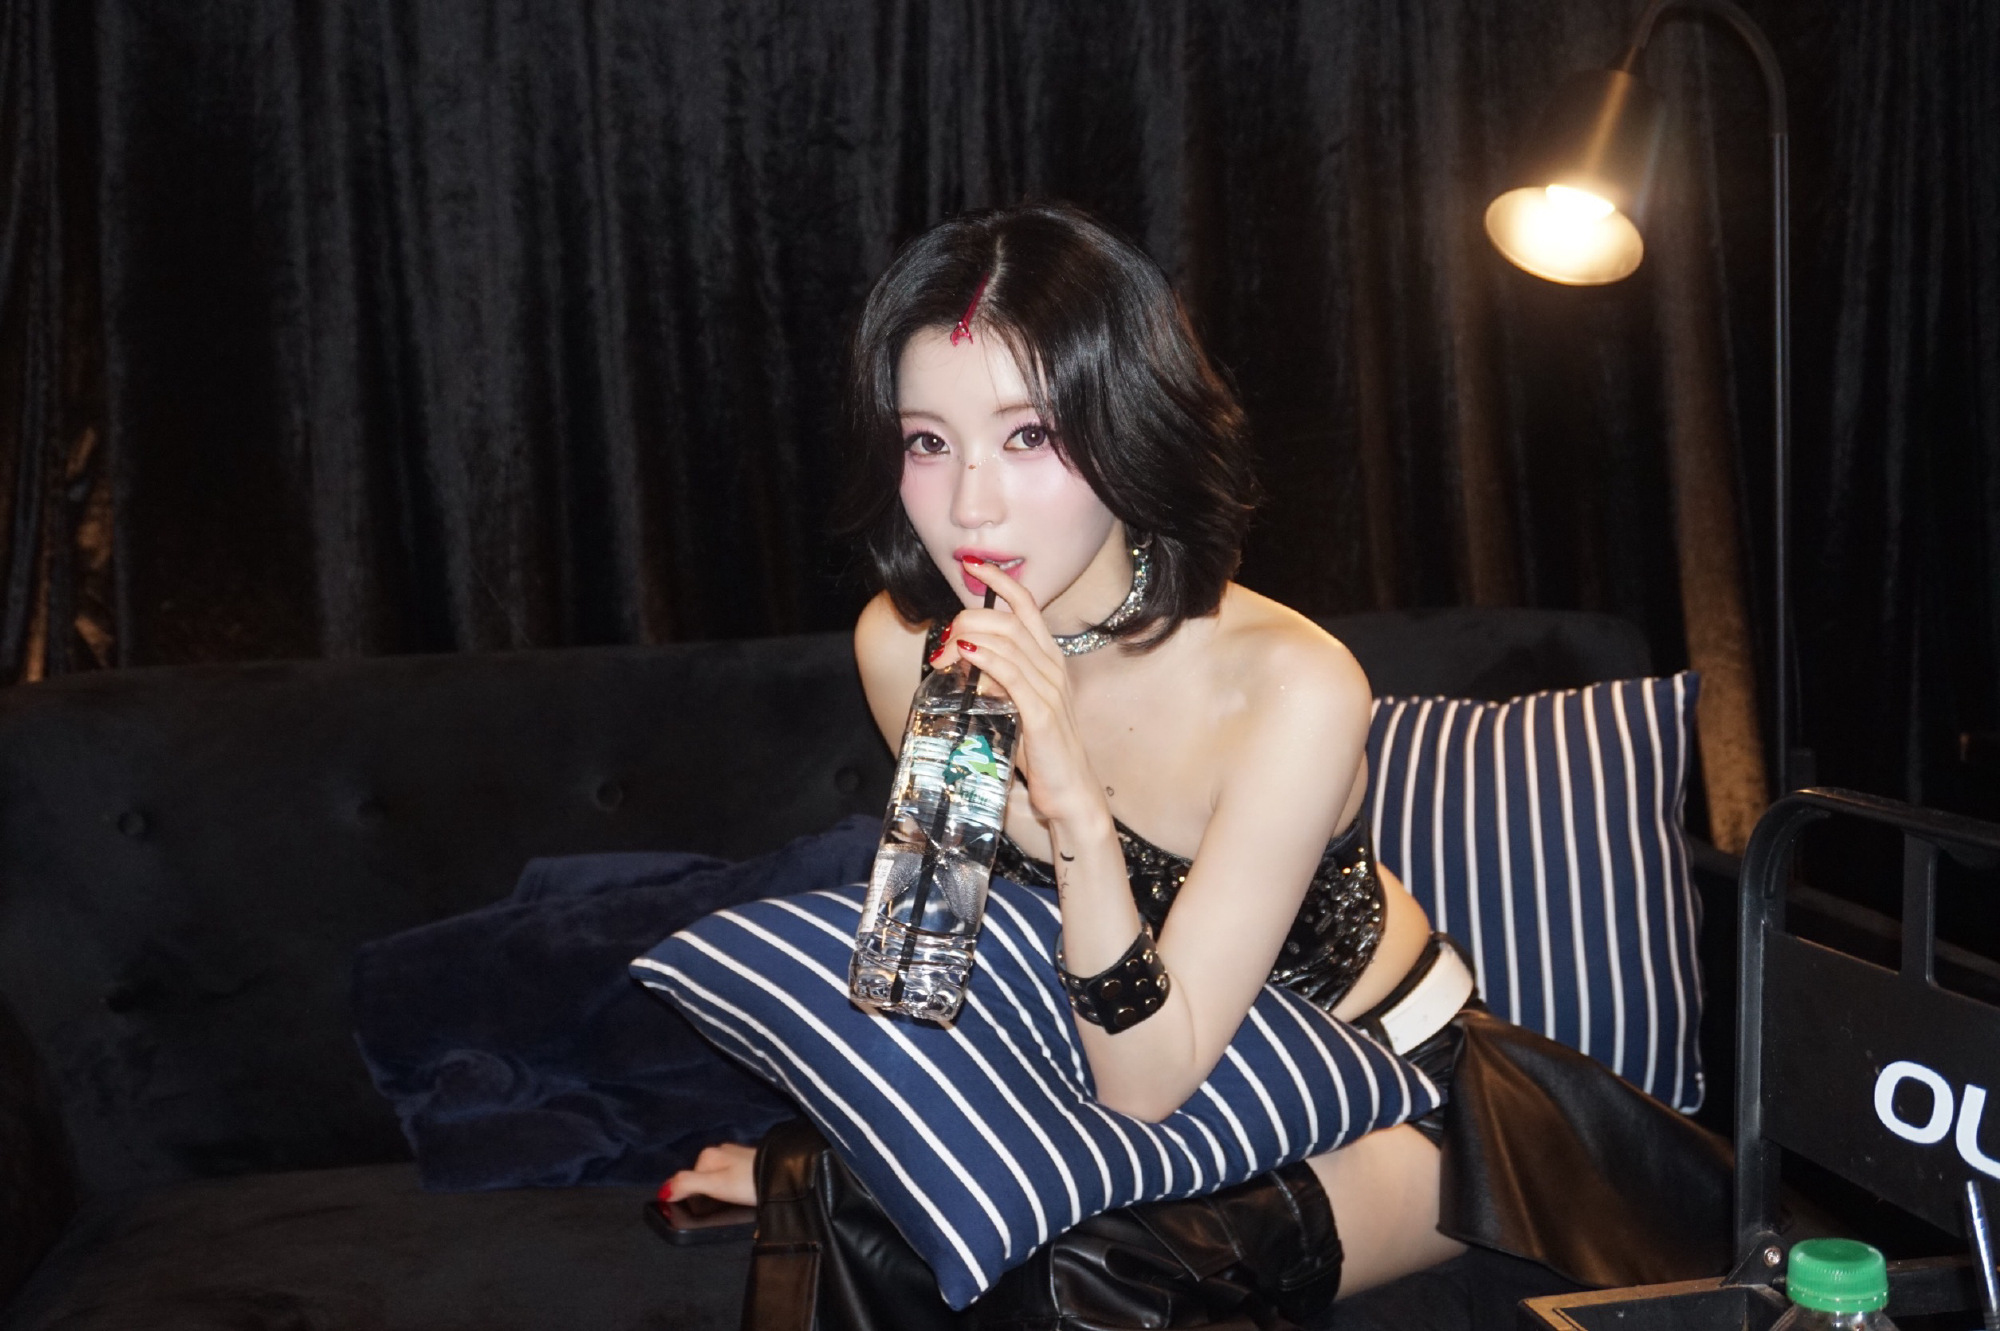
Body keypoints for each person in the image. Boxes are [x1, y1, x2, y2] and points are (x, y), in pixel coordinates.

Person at [655, 202, 1729, 1324]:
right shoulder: (906, 643)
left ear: (1127, 427)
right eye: (928, 441)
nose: (970, 504)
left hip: (1399, 1089)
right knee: (868, 1229)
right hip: (1123, 1063)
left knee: (1088, 1273)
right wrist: (856, 1158)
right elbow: (935, 947)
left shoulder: (1289, 684)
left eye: (1028, 436)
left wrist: (1071, 798)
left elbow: (1144, 1082)